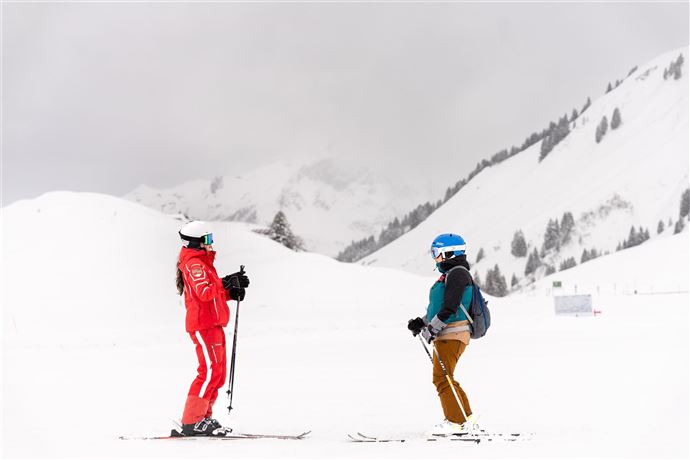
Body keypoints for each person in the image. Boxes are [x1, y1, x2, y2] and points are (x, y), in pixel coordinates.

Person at [175, 221, 250, 436]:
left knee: (218, 373)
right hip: (202, 325)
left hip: (212, 323)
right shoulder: (194, 264)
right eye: (207, 240)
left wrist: (230, 292)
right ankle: (192, 420)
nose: (211, 244)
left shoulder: (203, 262)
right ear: (196, 243)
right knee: (207, 372)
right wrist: (225, 282)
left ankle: (204, 417)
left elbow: (211, 294)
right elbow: (205, 292)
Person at [407, 233, 476, 436]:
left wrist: (433, 329)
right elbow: (440, 308)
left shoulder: (457, 273)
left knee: (441, 378)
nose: (435, 259)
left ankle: (456, 423)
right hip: (448, 335)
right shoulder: (452, 274)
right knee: (447, 377)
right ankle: (466, 418)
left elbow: (450, 307)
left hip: (453, 335)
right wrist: (422, 322)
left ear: (449, 253)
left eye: (437, 254)